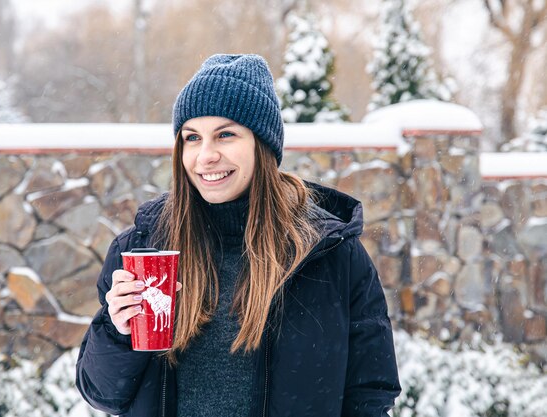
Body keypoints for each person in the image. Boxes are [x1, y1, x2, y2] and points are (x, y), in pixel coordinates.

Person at [75, 54, 401, 417]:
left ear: (262, 145)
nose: (205, 156)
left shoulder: (329, 254)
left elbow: (370, 393)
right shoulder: (142, 248)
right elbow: (102, 394)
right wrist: (118, 329)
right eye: (192, 137)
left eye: (226, 135)